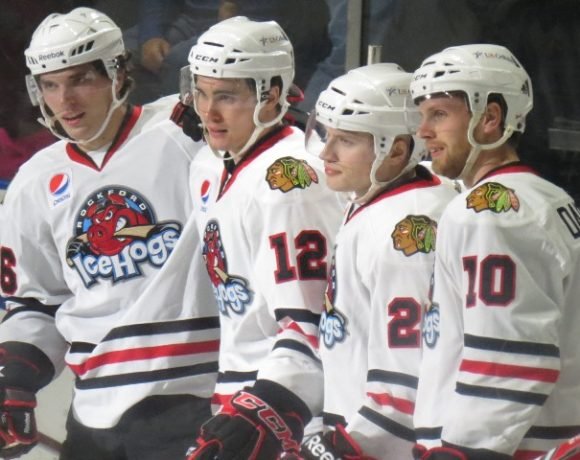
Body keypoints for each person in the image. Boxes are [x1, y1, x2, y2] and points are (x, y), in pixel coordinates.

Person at [0, 7, 220, 459]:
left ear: (119, 73)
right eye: (50, 85)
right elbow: (34, 302)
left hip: (199, 397)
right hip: (94, 415)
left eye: (81, 80)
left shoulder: (187, 131)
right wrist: (15, 381)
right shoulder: (35, 180)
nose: (65, 100)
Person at [182, 16, 344, 459]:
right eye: (201, 93)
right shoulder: (211, 163)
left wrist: (266, 412)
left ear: (271, 95)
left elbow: (313, 325)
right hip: (240, 400)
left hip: (291, 414)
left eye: (226, 96)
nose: (208, 112)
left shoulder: (291, 181)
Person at [410, 44, 580, 459]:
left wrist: (467, 450)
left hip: (509, 448)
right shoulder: (546, 197)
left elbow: (510, 358)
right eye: (422, 115)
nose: (423, 131)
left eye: (439, 114)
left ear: (490, 117)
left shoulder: (488, 212)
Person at [296, 63, 457, 459]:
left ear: (397, 149)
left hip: (382, 445)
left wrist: (350, 446)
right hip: (357, 429)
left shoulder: (405, 233)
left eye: (346, 140)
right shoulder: (381, 198)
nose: (327, 153)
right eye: (326, 134)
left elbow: (407, 378)